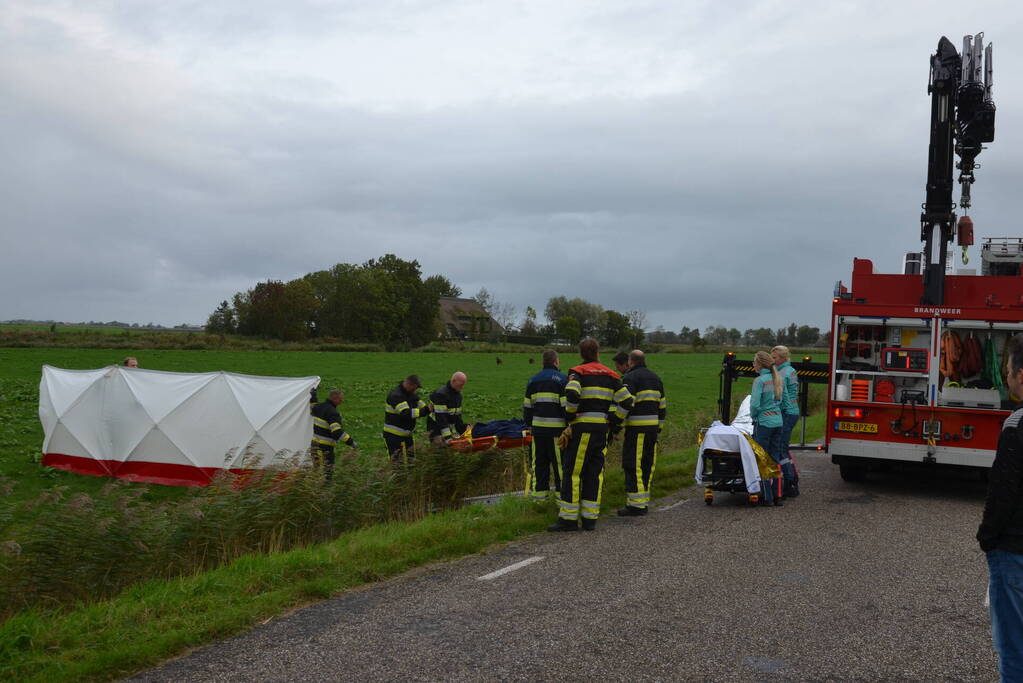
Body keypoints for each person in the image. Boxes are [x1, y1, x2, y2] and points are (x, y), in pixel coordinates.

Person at [549, 338, 633, 532]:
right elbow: (627, 401)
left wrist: (570, 417)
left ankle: (568, 519)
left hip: (582, 430)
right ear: (598, 352)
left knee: (573, 472)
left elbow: (571, 393)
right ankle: (589, 519)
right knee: (594, 473)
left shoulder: (578, 372)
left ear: (581, 353)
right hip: (602, 431)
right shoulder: (611, 375)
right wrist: (614, 422)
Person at [977, 333, 1023, 681]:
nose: (1006, 376)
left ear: (1020, 375)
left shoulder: (1016, 424)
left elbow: (1003, 488)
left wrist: (987, 536)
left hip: (1014, 548)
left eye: (1008, 370)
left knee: (1014, 649)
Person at [617, 349, 666, 516]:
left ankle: (636, 505)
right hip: (652, 430)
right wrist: (658, 427)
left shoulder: (630, 378)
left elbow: (626, 403)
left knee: (633, 464)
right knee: (647, 464)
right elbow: (662, 407)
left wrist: (617, 425)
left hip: (636, 429)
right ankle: (643, 500)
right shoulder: (656, 378)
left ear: (630, 362)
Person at [523, 349, 568, 501]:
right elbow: (566, 408)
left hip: (538, 432)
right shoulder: (563, 380)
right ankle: (562, 499)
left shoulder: (532, 380)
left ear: (543, 362)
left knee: (539, 465)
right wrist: (569, 426)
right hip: (558, 433)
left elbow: (527, 408)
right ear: (556, 362)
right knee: (560, 466)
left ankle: (539, 499)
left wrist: (530, 426)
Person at [750, 350, 783, 506]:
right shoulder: (777, 378)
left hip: (763, 423)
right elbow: (781, 401)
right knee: (775, 458)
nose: (753, 364)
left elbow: (755, 405)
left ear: (760, 364)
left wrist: (753, 416)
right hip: (778, 422)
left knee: (762, 459)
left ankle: (767, 497)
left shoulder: (760, 381)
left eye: (754, 362)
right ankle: (778, 496)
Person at [310, 389, 358, 481]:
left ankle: (315, 492)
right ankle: (325, 492)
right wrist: (351, 442)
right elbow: (336, 432)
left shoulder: (318, 406)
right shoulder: (333, 413)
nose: (342, 400)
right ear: (335, 399)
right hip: (325, 449)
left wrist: (313, 397)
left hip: (314, 446)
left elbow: (312, 406)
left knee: (316, 471)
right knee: (327, 474)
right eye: (341, 399)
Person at [772, 345, 801, 497]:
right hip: (793, 411)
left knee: (780, 449)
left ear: (783, 358)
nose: (773, 360)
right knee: (784, 448)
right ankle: (793, 477)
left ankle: (790, 482)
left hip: (787, 413)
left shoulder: (782, 373)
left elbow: (781, 397)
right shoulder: (790, 370)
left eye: (775, 358)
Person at [383, 375, 431, 463]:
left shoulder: (411, 394)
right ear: (409, 384)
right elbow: (406, 414)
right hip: (393, 436)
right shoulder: (396, 395)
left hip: (407, 435)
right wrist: (426, 410)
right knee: (397, 464)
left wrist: (432, 407)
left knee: (411, 462)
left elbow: (423, 405)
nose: (415, 390)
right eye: (415, 388)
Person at [427, 372, 468, 445]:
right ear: (454, 381)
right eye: (461, 384)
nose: (462, 387)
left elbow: (457, 417)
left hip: (448, 430)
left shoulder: (458, 396)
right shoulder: (440, 394)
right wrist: (448, 437)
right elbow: (441, 418)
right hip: (436, 430)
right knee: (439, 452)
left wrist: (464, 432)